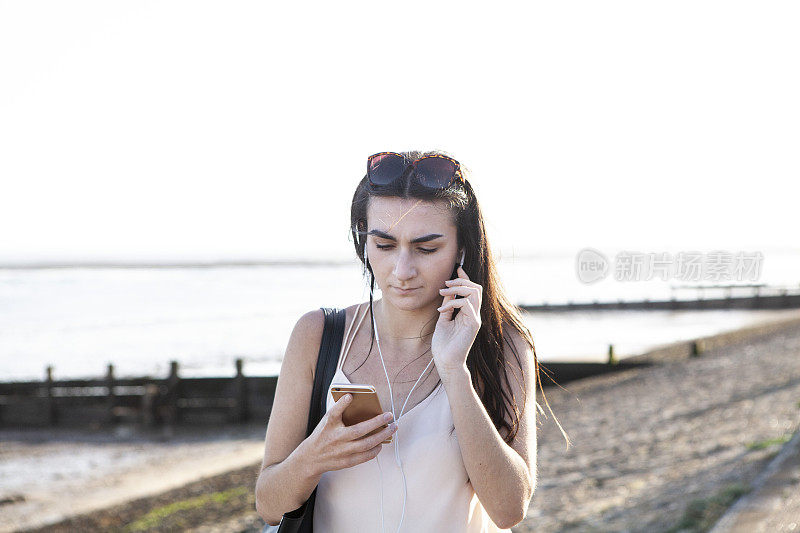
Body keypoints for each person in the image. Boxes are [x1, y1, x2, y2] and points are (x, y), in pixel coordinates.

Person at [255, 150, 569, 532]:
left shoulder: (502, 345)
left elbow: (509, 509)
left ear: (462, 248)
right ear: (363, 238)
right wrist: (313, 458)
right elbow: (268, 505)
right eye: (384, 246)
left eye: (426, 248)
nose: (402, 271)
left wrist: (455, 372)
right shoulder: (317, 335)